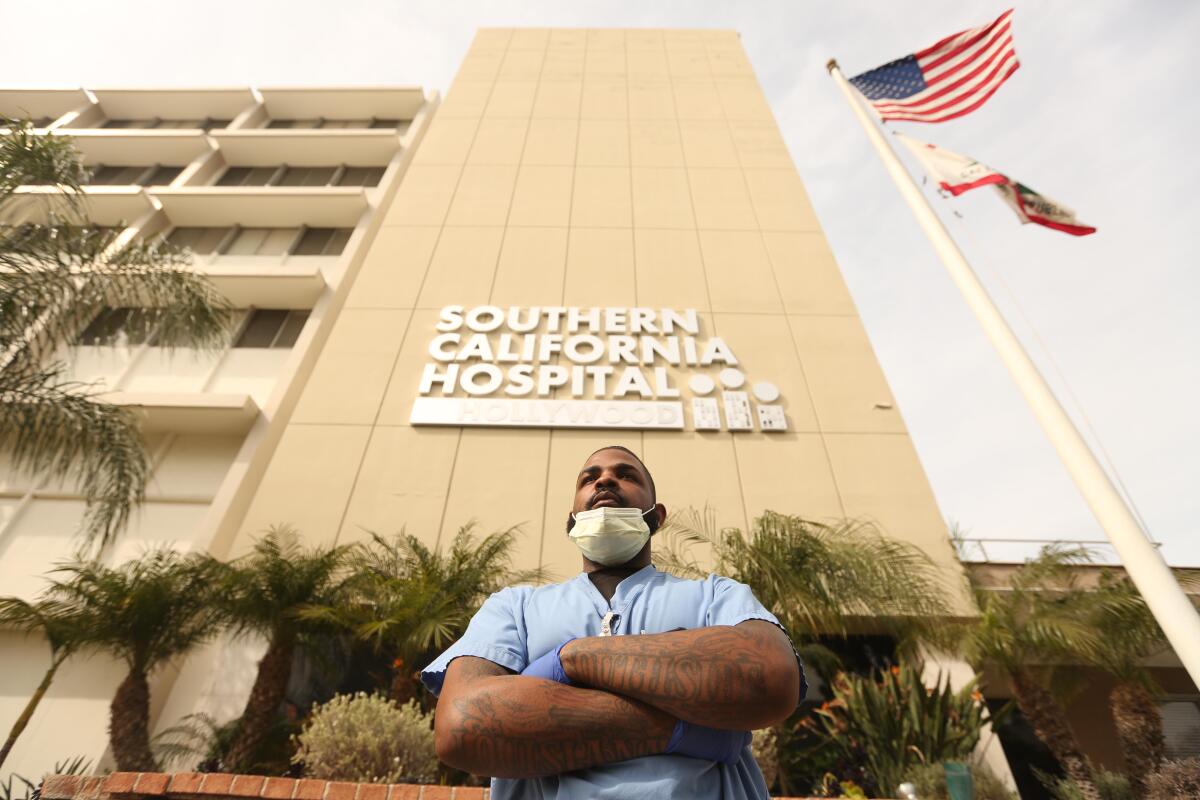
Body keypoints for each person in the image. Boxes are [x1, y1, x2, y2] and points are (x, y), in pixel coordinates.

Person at [421, 445, 806, 799]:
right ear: (571, 522)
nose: (604, 479)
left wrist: (566, 662)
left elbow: (771, 677)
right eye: (589, 478)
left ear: (656, 517)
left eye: (626, 475)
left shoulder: (717, 596)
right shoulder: (514, 607)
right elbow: (464, 725)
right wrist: (689, 729)